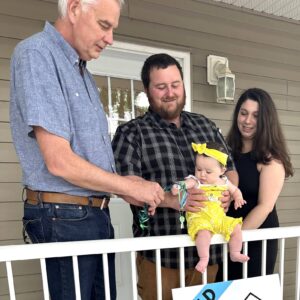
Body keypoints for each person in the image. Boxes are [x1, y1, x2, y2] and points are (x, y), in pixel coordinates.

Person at [9, 0, 164, 299]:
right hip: (63, 215)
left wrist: (127, 187)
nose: (110, 39)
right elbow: (59, 162)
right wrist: (123, 185)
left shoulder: (83, 72)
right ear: (75, 8)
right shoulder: (37, 54)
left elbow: (85, 158)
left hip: (92, 214)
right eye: (104, 26)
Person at [112, 53, 238, 300]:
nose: (170, 92)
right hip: (161, 255)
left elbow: (230, 169)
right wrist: (172, 200)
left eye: (175, 84)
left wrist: (227, 193)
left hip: (208, 254)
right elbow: (126, 186)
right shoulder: (132, 132)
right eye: (161, 87)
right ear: (147, 91)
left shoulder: (206, 125)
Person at [216, 88, 294, 281]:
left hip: (257, 240)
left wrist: (237, 238)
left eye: (255, 116)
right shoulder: (226, 152)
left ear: (266, 120)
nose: (247, 120)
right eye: (243, 113)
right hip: (227, 238)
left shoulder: (271, 159)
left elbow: (265, 206)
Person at [171, 142, 249, 274]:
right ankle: (204, 258)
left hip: (219, 218)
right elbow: (184, 184)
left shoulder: (224, 181)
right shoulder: (196, 181)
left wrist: (238, 198)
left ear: (222, 170)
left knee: (236, 227)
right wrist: (177, 187)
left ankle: (235, 252)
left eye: (208, 172)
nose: (202, 175)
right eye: (199, 169)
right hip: (200, 218)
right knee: (203, 234)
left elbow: (235, 190)